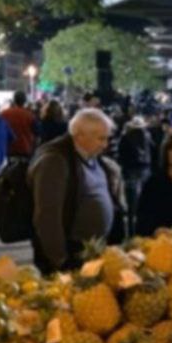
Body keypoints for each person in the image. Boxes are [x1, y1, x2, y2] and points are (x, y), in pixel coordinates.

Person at [29, 108, 125, 274]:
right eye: (101, 139)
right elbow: (47, 215)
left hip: (92, 250)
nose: (105, 144)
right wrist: (61, 260)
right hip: (71, 254)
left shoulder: (90, 155)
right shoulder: (55, 161)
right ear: (80, 135)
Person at [117, 117, 153, 239]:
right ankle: (144, 232)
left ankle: (132, 234)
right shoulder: (147, 136)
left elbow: (121, 156)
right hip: (145, 171)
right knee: (146, 204)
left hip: (130, 171)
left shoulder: (125, 137)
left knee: (131, 207)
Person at [1, 91, 38, 159]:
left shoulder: (4, 114)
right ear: (25, 101)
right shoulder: (30, 115)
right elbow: (37, 132)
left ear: (14, 100)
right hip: (25, 148)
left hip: (8, 149)